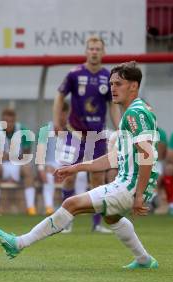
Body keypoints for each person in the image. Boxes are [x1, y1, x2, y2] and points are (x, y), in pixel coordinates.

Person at [0, 62, 159, 270]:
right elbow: (112, 159)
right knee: (112, 216)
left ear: (134, 86)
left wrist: (140, 194)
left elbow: (147, 155)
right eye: (111, 84)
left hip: (131, 186)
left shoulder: (136, 114)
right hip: (128, 183)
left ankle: (18, 243)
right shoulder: (133, 113)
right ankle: (144, 260)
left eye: (119, 84)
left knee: (71, 204)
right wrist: (75, 168)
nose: (113, 88)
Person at [52, 36, 120, 232]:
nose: (94, 52)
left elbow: (112, 106)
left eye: (98, 48)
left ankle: (97, 225)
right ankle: (66, 221)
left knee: (98, 180)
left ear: (103, 52)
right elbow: (59, 96)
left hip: (97, 137)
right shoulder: (74, 74)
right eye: (91, 48)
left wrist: (118, 129)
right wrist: (57, 121)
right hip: (74, 134)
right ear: (86, 51)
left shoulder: (108, 76)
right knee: (68, 177)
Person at [0, 108, 36, 215]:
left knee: (28, 169)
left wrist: (7, 155)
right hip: (3, 166)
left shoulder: (23, 131)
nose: (9, 124)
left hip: (18, 165)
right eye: (6, 121)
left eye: (11, 121)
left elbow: (26, 155)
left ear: (15, 121)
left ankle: (30, 207)